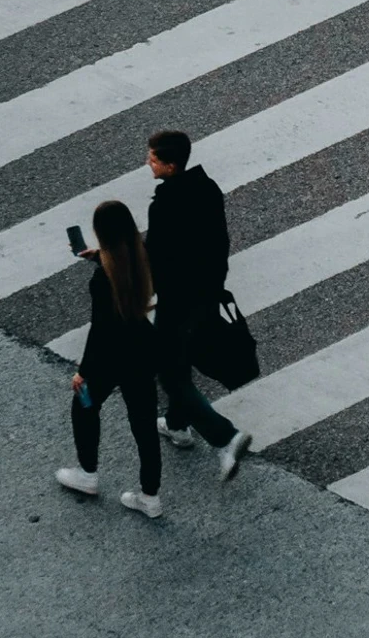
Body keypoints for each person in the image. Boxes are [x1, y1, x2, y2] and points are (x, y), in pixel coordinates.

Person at [140, 130, 250, 480]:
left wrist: (108, 261)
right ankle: (176, 425)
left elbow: (153, 258)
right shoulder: (207, 189)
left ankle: (225, 437)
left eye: (154, 159)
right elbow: (219, 243)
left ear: (170, 166)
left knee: (170, 374)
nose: (148, 162)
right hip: (206, 294)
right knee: (178, 360)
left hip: (178, 300)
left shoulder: (165, 205)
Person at [55, 201, 163, 518]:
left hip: (110, 358)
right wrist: (99, 259)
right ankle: (150, 497)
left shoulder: (103, 281)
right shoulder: (142, 253)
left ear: (101, 234)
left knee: (85, 406)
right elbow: (125, 269)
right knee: (144, 427)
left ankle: (87, 473)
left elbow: (100, 331)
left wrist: (83, 372)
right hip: (142, 353)